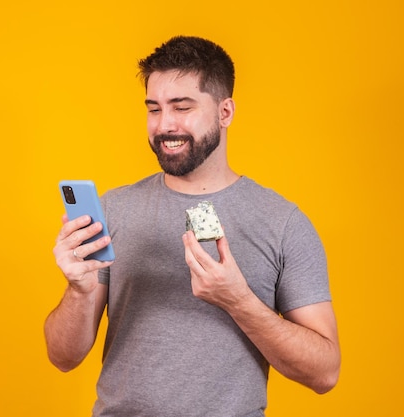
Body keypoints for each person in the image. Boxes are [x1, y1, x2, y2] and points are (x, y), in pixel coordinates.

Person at [44, 35, 341, 417]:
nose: (165, 125)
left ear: (225, 112)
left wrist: (238, 300)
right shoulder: (112, 211)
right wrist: (79, 290)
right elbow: (62, 357)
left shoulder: (283, 223)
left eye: (182, 107)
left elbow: (325, 373)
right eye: (154, 109)